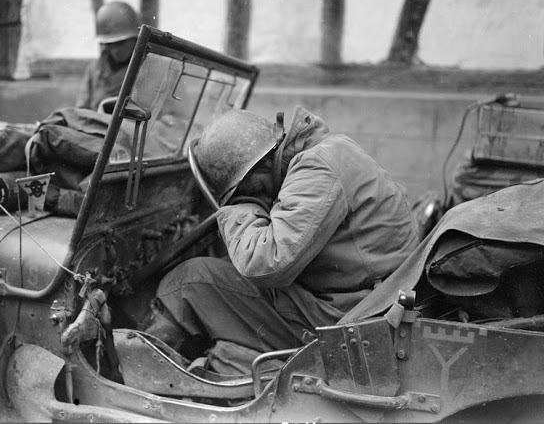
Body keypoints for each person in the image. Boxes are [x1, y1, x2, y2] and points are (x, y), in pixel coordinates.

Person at [142, 105, 420, 374]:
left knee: (189, 281)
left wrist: (236, 209)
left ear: (260, 166)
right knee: (218, 270)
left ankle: (145, 375)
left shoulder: (317, 168)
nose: (253, 197)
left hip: (351, 319)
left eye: (245, 189)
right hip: (366, 301)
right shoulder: (324, 154)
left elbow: (266, 263)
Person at [75, 1, 140, 111]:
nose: (115, 50)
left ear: (134, 40)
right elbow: (81, 108)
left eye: (120, 43)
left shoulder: (146, 68)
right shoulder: (95, 69)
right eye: (110, 44)